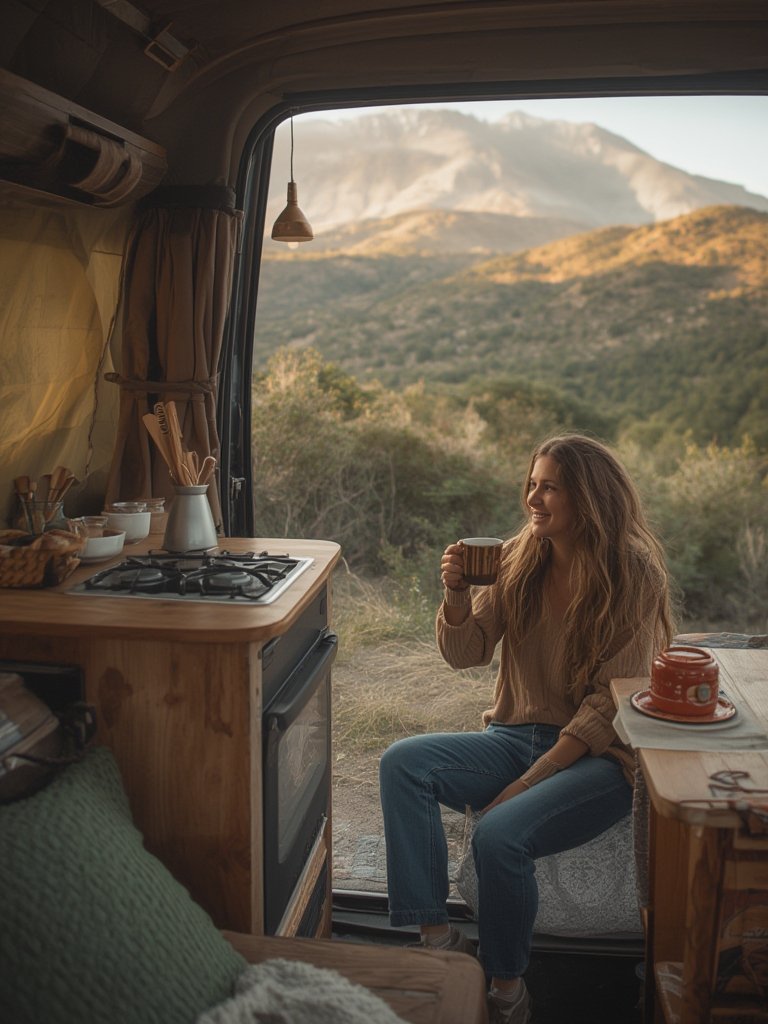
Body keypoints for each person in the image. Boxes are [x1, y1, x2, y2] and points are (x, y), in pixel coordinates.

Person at [379, 434, 674, 1024]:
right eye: (532, 484)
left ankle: (507, 989)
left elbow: (607, 708)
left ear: (588, 498)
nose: (533, 498)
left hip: (598, 758)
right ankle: (438, 943)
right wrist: (456, 594)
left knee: (500, 834)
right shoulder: (520, 556)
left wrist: (527, 784)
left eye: (550, 487)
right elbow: (466, 655)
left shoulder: (633, 575)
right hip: (514, 737)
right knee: (402, 763)